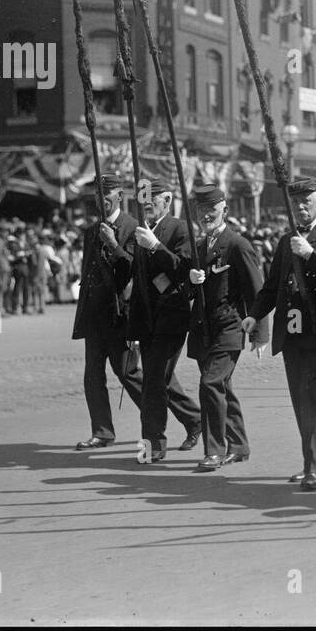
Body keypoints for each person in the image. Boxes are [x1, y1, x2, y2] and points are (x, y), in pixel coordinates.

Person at [243, 176, 316, 490]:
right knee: (301, 401)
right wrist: (255, 316)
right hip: (291, 331)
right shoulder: (286, 238)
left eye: (307, 202)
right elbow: (273, 285)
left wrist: (309, 255)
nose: (300, 208)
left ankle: (313, 467)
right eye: (296, 202)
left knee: (311, 398)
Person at [185, 183, 268, 472]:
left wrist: (258, 333)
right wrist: (191, 282)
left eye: (212, 209)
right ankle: (240, 445)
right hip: (203, 330)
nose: (206, 215)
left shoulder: (238, 245)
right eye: (201, 209)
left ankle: (215, 450)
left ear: (225, 209)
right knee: (222, 388)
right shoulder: (197, 247)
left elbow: (257, 292)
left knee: (210, 384)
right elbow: (188, 291)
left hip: (229, 328)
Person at [127, 178, 204, 461]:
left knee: (154, 382)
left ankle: (153, 445)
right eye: (143, 204)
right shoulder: (140, 230)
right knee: (160, 379)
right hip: (147, 319)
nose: (147, 208)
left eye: (152, 203)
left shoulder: (180, 228)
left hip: (172, 315)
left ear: (167, 201)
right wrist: (132, 325)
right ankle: (195, 419)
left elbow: (184, 270)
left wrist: (156, 245)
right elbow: (139, 282)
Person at [73, 175, 145, 450]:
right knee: (92, 375)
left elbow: (131, 269)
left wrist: (113, 243)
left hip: (119, 314)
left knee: (128, 373)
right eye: (96, 195)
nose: (99, 200)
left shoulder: (132, 227)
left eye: (106, 195)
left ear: (119, 196)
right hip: (94, 315)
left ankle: (182, 417)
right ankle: (102, 431)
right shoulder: (91, 231)